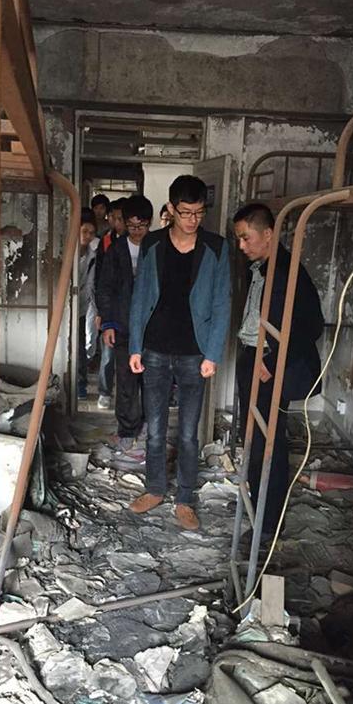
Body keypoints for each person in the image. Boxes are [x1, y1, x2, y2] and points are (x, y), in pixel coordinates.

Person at [128, 175, 231, 530]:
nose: (192, 220)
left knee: (188, 433)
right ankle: (155, 488)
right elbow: (140, 297)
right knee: (155, 428)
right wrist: (135, 346)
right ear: (171, 209)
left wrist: (212, 354)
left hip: (194, 353)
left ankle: (185, 498)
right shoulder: (153, 243)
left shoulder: (216, 247)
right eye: (185, 212)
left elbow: (221, 303)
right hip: (155, 348)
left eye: (199, 213)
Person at [233, 202, 324, 538]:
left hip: (268, 365)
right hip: (252, 358)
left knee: (268, 443)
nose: (241, 245)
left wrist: (272, 362)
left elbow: (312, 325)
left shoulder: (288, 271)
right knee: (254, 440)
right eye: (239, 238)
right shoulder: (258, 267)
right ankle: (257, 507)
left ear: (268, 234)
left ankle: (268, 525)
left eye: (246, 237)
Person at [98, 195, 153, 448]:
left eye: (142, 226)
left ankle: (151, 429)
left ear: (149, 223)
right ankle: (127, 431)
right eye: (132, 226)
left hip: (152, 329)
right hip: (122, 325)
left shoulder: (157, 247)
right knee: (126, 381)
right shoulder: (116, 249)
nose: (137, 231)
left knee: (152, 382)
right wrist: (108, 323)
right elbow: (105, 288)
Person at [94, 198, 127, 409]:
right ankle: (104, 392)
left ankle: (125, 397)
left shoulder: (140, 243)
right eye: (113, 217)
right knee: (107, 354)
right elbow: (100, 279)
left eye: (120, 218)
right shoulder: (105, 241)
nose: (116, 222)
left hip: (129, 309)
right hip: (109, 308)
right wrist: (100, 311)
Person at [77, 215, 98, 400]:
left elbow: (92, 285)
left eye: (91, 233)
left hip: (82, 306)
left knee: (80, 346)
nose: (88, 236)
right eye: (84, 231)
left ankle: (80, 384)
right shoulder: (68, 252)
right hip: (66, 307)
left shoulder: (93, 256)